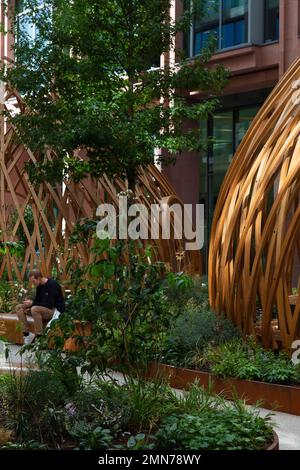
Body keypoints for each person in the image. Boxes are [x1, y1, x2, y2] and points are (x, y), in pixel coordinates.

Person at [16, 269, 65, 345]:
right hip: (42, 309)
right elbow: (37, 301)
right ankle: (27, 334)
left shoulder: (52, 284)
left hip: (54, 311)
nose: (33, 284)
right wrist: (28, 303)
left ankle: (39, 337)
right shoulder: (39, 286)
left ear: (39, 278)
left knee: (34, 309)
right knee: (19, 307)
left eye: (33, 281)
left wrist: (32, 304)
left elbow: (49, 305)